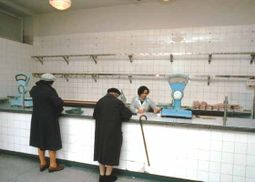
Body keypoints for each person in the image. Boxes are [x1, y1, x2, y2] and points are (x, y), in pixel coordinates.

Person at [93, 88, 132, 182]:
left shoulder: (100, 101)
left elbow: (95, 115)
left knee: (101, 151)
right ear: (116, 94)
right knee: (111, 152)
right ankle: (108, 176)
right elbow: (127, 115)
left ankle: (101, 176)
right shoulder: (117, 102)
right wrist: (125, 105)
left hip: (100, 132)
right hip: (113, 132)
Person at [29, 73, 64, 173]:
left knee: (40, 139)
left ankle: (43, 163)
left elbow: (34, 96)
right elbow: (57, 103)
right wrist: (61, 104)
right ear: (50, 82)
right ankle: (53, 165)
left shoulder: (34, 89)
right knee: (52, 140)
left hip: (37, 119)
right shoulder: (50, 90)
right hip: (49, 119)